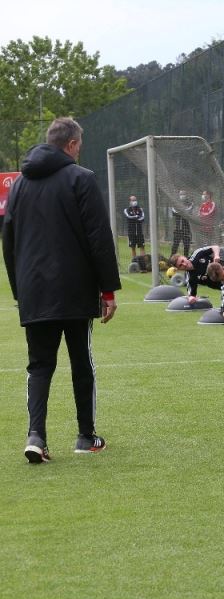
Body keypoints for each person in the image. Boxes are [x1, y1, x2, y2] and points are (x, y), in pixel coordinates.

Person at [2, 117, 120, 464]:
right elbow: (99, 237)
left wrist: (19, 289)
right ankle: (86, 436)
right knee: (81, 361)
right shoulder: (81, 179)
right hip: (75, 289)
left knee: (39, 366)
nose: (79, 153)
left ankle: (36, 436)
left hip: (33, 290)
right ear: (70, 145)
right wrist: (109, 291)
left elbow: (8, 240)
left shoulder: (20, 184)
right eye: (78, 147)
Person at [171, 190, 194, 256]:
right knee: (174, 246)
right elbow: (174, 212)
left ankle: (186, 259)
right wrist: (182, 212)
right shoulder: (175, 203)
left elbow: (188, 212)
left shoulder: (190, 204)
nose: (182, 195)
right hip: (177, 229)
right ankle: (171, 260)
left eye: (183, 194)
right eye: (181, 194)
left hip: (186, 229)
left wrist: (181, 211)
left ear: (186, 195)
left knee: (186, 246)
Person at [124, 194, 146, 260]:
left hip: (139, 232)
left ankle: (143, 264)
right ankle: (135, 262)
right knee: (133, 247)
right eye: (133, 200)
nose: (134, 201)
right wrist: (136, 217)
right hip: (131, 232)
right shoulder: (126, 210)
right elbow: (128, 217)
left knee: (142, 246)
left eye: (135, 200)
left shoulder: (140, 209)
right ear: (130, 201)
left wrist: (136, 218)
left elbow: (142, 218)